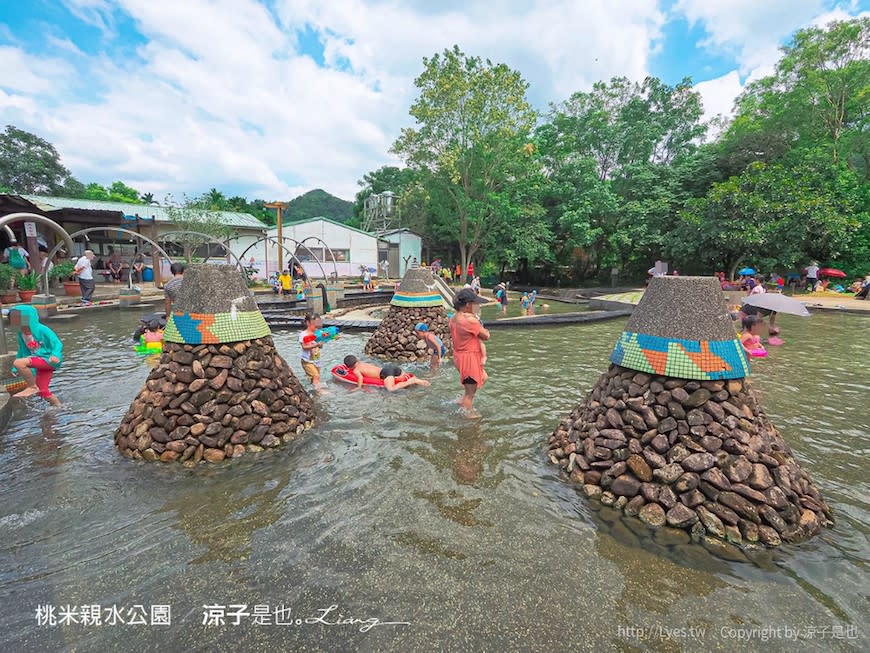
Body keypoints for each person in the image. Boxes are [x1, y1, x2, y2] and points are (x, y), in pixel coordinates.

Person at [9, 305, 63, 406]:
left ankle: (32, 386)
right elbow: (22, 350)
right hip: (37, 362)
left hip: (49, 360)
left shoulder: (42, 330)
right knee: (43, 391)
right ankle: (59, 407)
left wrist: (55, 355)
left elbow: (57, 343)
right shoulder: (21, 334)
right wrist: (15, 369)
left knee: (18, 363)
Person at [449, 288, 490, 417]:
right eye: (474, 304)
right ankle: (467, 414)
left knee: (483, 377)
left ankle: (463, 400)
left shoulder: (454, 318)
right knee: (470, 394)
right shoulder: (470, 321)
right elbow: (486, 336)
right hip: (469, 358)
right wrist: (478, 322)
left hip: (459, 356)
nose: (476, 306)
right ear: (468, 305)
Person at [342, 355, 430, 392]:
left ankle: (413, 380)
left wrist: (358, 387)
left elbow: (360, 378)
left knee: (390, 389)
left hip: (386, 373)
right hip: (391, 368)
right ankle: (413, 379)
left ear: (349, 367)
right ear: (357, 360)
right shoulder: (363, 363)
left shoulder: (356, 370)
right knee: (401, 378)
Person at [300, 312, 326, 389]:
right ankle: (319, 392)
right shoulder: (304, 334)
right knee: (316, 376)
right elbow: (304, 347)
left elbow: (320, 346)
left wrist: (320, 345)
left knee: (315, 378)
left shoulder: (318, 333)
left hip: (316, 360)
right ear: (308, 323)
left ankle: (313, 394)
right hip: (307, 361)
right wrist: (316, 345)